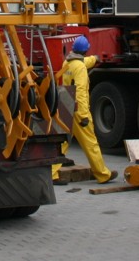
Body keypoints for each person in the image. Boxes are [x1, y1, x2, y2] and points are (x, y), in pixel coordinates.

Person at [52, 35, 116, 184]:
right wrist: (83, 115)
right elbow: (80, 91)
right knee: (90, 143)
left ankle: (51, 173)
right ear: (85, 50)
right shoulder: (80, 68)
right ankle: (102, 174)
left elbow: (82, 62)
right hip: (78, 110)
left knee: (62, 142)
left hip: (66, 105)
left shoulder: (67, 62)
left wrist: (95, 59)